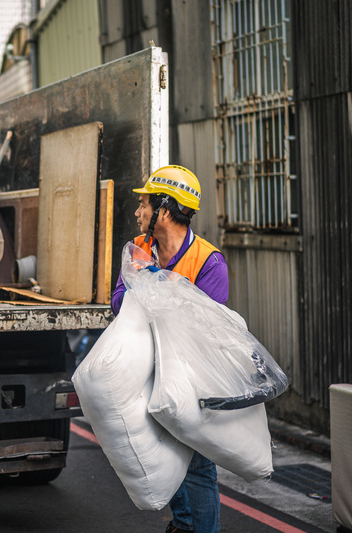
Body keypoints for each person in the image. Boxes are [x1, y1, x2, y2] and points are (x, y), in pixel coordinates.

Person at [111, 165, 228, 533]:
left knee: (197, 463)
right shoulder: (140, 248)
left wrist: (152, 288)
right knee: (161, 450)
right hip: (148, 368)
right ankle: (183, 522)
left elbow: (205, 328)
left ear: (164, 208)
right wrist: (152, 287)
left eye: (144, 203)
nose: (137, 212)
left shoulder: (209, 262)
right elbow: (117, 302)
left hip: (190, 376)